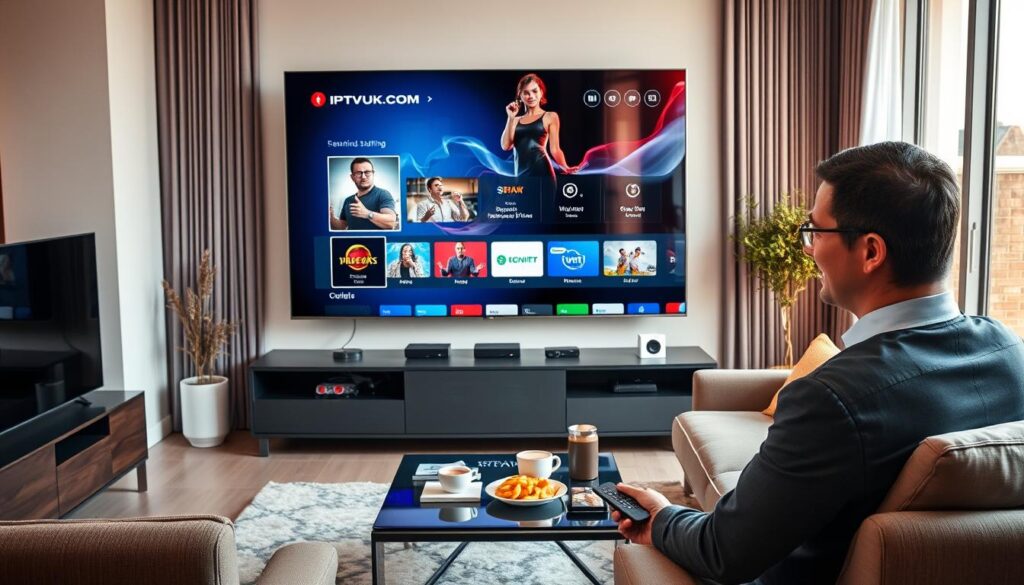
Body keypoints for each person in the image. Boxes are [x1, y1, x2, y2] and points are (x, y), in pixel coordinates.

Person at [611, 142, 1024, 585]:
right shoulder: (1009, 351)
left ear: (870, 252)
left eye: (815, 231)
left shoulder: (832, 399)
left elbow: (724, 551)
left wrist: (661, 516)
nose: (807, 249)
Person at [500, 73, 580, 182]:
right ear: (520, 95)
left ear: (541, 92)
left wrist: (565, 166)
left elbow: (555, 149)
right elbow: (505, 146)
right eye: (526, 93)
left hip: (543, 173)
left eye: (534, 91)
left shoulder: (550, 116)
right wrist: (510, 117)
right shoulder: (514, 120)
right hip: (520, 176)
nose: (531, 96)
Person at [329, 158, 398, 230]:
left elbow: (391, 222)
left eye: (367, 172)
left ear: (373, 174)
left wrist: (367, 214)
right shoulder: (348, 200)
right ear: (352, 177)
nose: (363, 177)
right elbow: (342, 227)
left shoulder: (382, 194)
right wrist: (331, 218)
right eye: (359, 173)